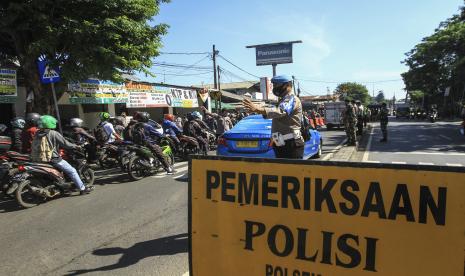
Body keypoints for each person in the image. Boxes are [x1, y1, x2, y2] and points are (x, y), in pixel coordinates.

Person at [242, 75, 304, 159]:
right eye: (274, 86)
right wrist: (258, 109)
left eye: (277, 85)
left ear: (287, 85)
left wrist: (257, 109)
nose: (274, 88)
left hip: (291, 144)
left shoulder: (291, 98)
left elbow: (280, 111)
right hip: (281, 143)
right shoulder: (282, 100)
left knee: (292, 171)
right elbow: (274, 112)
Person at [32, 115, 93, 195]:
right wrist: (76, 146)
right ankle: (82, 189)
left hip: (39, 159)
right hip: (53, 159)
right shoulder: (53, 133)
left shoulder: (37, 133)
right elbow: (65, 144)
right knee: (72, 171)